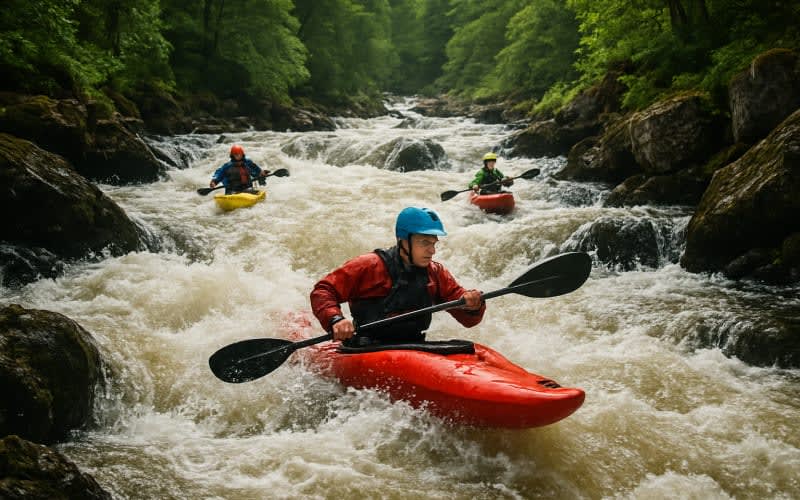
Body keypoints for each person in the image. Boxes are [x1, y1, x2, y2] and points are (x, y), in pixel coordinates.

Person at [310, 207, 485, 346]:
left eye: (433, 244)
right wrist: (336, 319)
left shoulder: (435, 273)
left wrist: (473, 305)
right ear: (403, 241)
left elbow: (468, 318)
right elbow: (323, 291)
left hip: (414, 346)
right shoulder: (369, 266)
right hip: (367, 348)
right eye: (424, 243)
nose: (432, 251)